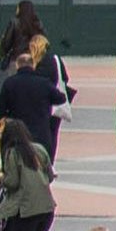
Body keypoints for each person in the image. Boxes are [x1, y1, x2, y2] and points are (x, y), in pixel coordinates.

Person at [0, 51, 61, 172]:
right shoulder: (44, 83)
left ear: (17, 65)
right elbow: (60, 98)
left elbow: (0, 109)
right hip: (41, 134)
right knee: (41, 169)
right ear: (33, 65)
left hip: (17, 134)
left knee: (17, 168)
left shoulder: (9, 83)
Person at [28, 34, 75, 168]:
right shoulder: (56, 59)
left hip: (42, 106)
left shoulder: (37, 64)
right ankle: (50, 163)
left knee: (41, 135)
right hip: (56, 104)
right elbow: (65, 78)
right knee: (53, 135)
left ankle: (42, 162)